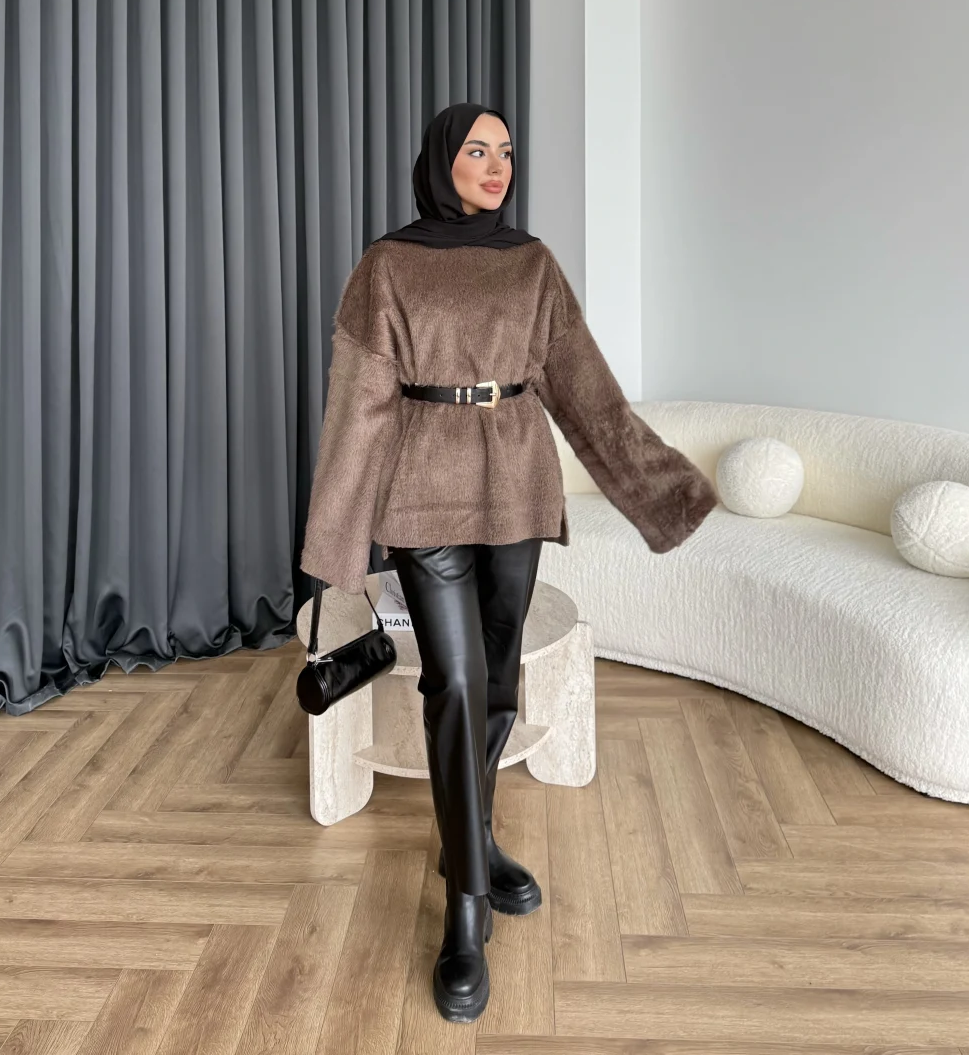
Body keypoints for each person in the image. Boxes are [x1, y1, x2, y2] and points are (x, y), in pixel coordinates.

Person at [299, 102, 718, 1023]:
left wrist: (665, 493)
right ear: (441, 161)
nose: (497, 166)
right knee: (452, 682)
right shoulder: (388, 265)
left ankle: (475, 840)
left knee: (496, 680)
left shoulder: (532, 264)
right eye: (478, 151)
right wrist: (334, 543)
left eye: (507, 152)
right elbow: (358, 404)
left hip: (518, 487)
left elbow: (588, 393)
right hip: (423, 489)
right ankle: (466, 907)